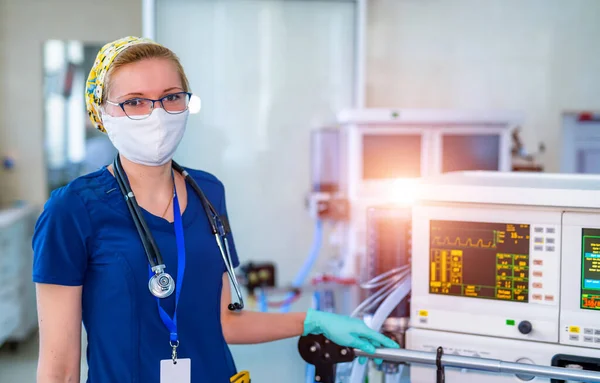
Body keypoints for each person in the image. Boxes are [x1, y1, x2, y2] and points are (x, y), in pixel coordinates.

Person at [32, 36, 399, 383]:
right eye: (135, 101)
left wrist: (315, 321)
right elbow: (59, 368)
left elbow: (225, 322)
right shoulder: (73, 210)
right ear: (102, 112)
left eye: (171, 97)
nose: (157, 113)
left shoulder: (207, 192)